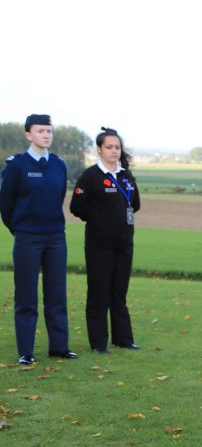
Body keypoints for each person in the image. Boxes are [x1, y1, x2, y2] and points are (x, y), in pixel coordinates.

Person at [0, 114, 76, 365]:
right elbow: (6, 206)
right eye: (41, 131)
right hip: (27, 239)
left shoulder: (58, 164)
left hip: (55, 237)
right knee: (26, 297)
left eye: (49, 131)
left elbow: (57, 200)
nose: (46, 135)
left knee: (56, 295)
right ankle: (26, 351)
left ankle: (59, 347)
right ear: (28, 135)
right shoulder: (16, 165)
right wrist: (22, 229)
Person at [69, 127, 141, 353]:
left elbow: (135, 204)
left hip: (124, 243)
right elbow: (77, 207)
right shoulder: (91, 176)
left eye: (117, 147)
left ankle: (123, 339)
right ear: (99, 149)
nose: (114, 151)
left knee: (119, 293)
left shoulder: (126, 176)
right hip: (99, 245)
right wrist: (99, 220)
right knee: (99, 294)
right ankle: (99, 344)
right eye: (109, 147)